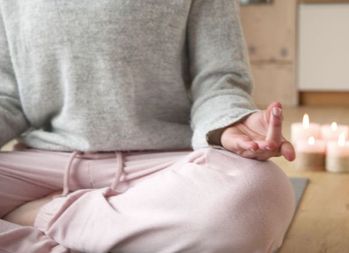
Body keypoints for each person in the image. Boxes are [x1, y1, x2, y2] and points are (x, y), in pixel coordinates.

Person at [0, 1, 296, 253]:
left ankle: (42, 217)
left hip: (165, 167)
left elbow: (217, 81)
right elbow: (8, 95)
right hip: (41, 167)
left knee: (260, 191)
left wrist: (229, 122)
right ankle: (111, 234)